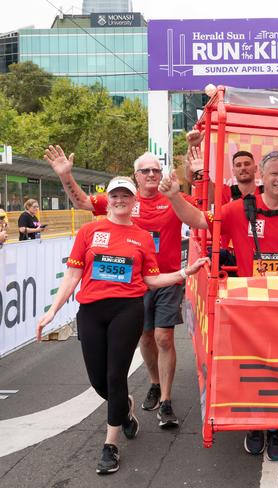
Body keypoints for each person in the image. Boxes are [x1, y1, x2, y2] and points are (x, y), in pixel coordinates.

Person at [159, 149, 278, 461]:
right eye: (274, 173)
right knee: (252, 369)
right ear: (262, 177)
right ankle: (253, 423)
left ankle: (276, 426)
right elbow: (197, 218)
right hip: (249, 309)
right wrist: (174, 196)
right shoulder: (238, 209)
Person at [36, 177, 208, 475]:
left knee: (116, 375)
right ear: (109, 200)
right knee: (99, 380)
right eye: (114, 196)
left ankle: (110, 445)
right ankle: (124, 409)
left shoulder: (141, 237)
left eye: (125, 196)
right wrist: (52, 311)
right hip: (91, 311)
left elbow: (151, 280)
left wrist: (183, 272)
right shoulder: (90, 231)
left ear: (133, 201)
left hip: (127, 309)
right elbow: (73, 276)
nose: (119, 200)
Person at [44, 145, 194, 428]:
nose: (152, 174)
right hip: (133, 286)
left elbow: (199, 212)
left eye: (156, 170)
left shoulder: (173, 198)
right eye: (145, 170)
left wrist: (193, 165)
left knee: (164, 338)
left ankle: (166, 400)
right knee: (146, 338)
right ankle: (153, 382)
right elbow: (83, 203)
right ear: (136, 176)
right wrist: (66, 176)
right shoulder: (123, 200)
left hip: (165, 279)